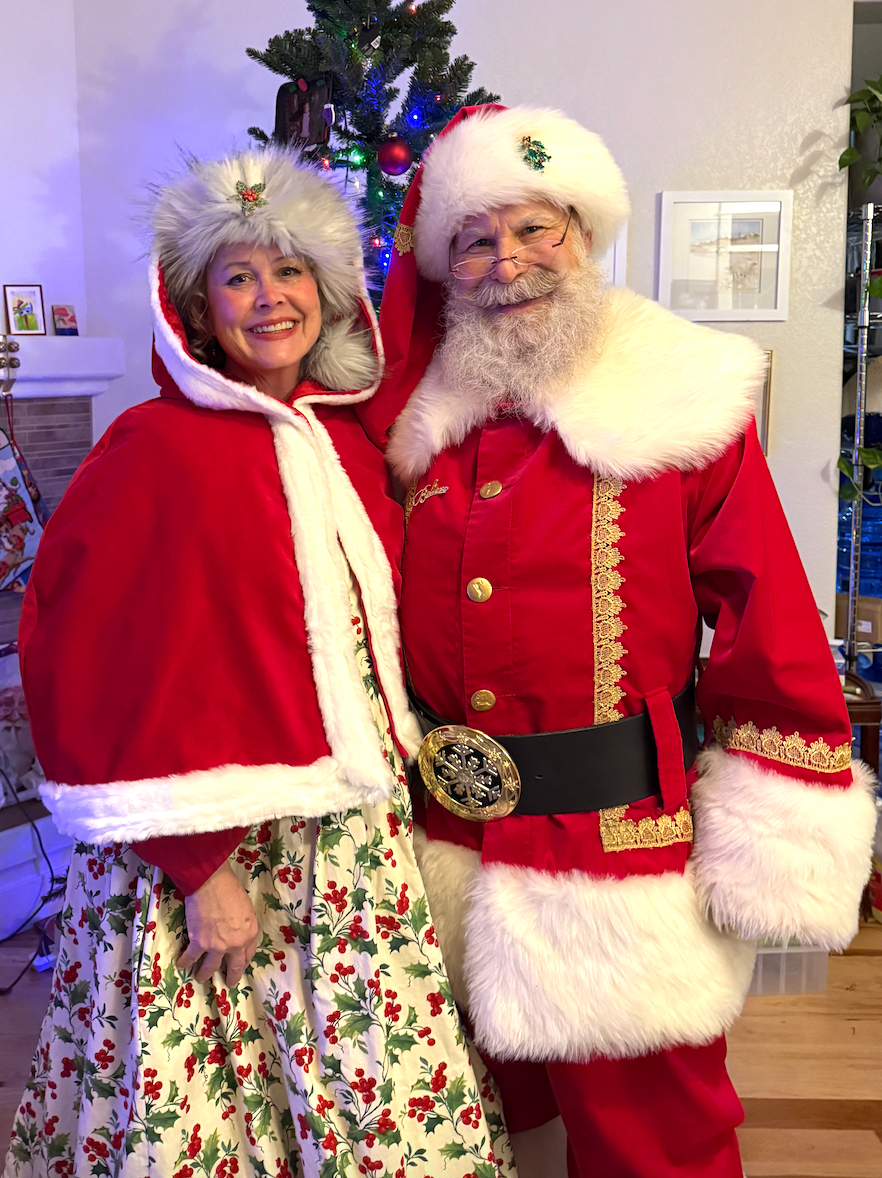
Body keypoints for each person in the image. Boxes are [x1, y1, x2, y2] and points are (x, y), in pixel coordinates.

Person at [363, 104, 880, 1178]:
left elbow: (765, 617)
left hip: (617, 850)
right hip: (440, 841)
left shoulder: (681, 405)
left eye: (533, 228)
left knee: (659, 1140)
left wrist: (774, 815)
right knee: (471, 1126)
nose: (506, 260)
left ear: (583, 233)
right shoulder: (408, 428)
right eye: (474, 237)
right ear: (444, 265)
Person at [4, 148, 514, 1178]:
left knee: (370, 1078)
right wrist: (201, 869)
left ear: (328, 294)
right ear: (198, 306)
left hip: (349, 840)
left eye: (291, 272)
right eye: (239, 276)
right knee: (218, 1095)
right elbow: (96, 664)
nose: (270, 297)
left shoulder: (344, 444)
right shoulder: (152, 448)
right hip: (212, 852)